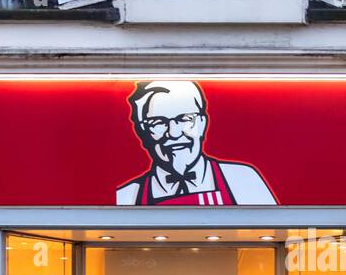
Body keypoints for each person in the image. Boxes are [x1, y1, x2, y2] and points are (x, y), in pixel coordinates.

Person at [116, 80, 277, 206]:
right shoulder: (128, 196)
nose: (174, 133)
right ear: (143, 131)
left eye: (185, 119)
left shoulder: (242, 180)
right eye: (158, 122)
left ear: (202, 123)